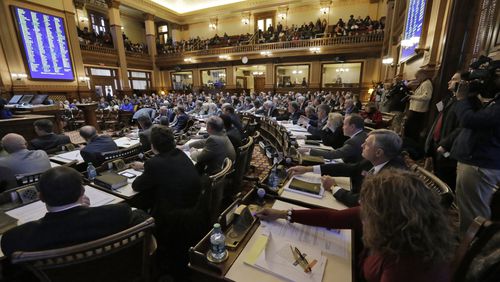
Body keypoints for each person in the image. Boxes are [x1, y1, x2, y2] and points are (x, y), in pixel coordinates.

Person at [256, 169, 455, 282]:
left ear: (388, 218)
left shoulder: (406, 265)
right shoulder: (401, 224)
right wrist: (282, 214)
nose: (362, 213)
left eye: (367, 211)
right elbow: (332, 218)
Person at [1, 166, 150, 257]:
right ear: (83, 191)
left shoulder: (16, 238)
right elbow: (143, 218)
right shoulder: (118, 212)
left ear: (41, 197)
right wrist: (88, 212)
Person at [290, 129, 405, 207]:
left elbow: (360, 202)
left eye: (367, 144)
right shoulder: (375, 160)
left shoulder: (391, 178)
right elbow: (347, 168)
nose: (362, 146)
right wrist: (308, 169)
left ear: (379, 152)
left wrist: (333, 187)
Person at [451, 61, 500, 234]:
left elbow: (471, 120)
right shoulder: (494, 101)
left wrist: (462, 99)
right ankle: (468, 243)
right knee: (468, 210)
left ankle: (470, 251)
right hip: (476, 160)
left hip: (480, 163)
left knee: (474, 214)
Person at [131, 125, 201, 221]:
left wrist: (147, 166)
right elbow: (168, 167)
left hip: (171, 217)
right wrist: (144, 166)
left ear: (152, 145)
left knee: (136, 201)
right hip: (194, 209)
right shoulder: (180, 154)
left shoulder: (153, 163)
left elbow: (136, 185)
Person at [424, 72, 461, 190]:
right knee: (437, 176)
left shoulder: (463, 104)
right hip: (437, 142)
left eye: (454, 79)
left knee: (446, 180)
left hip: (447, 147)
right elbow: (438, 112)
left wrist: (445, 144)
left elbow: (460, 128)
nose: (449, 82)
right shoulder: (449, 99)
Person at [405, 69, 433, 141]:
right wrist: (413, 94)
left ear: (422, 75)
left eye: (417, 77)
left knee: (413, 130)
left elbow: (427, 97)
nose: (417, 79)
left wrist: (413, 97)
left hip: (418, 111)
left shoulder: (427, 83)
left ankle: (410, 144)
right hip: (415, 110)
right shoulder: (423, 83)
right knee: (409, 128)